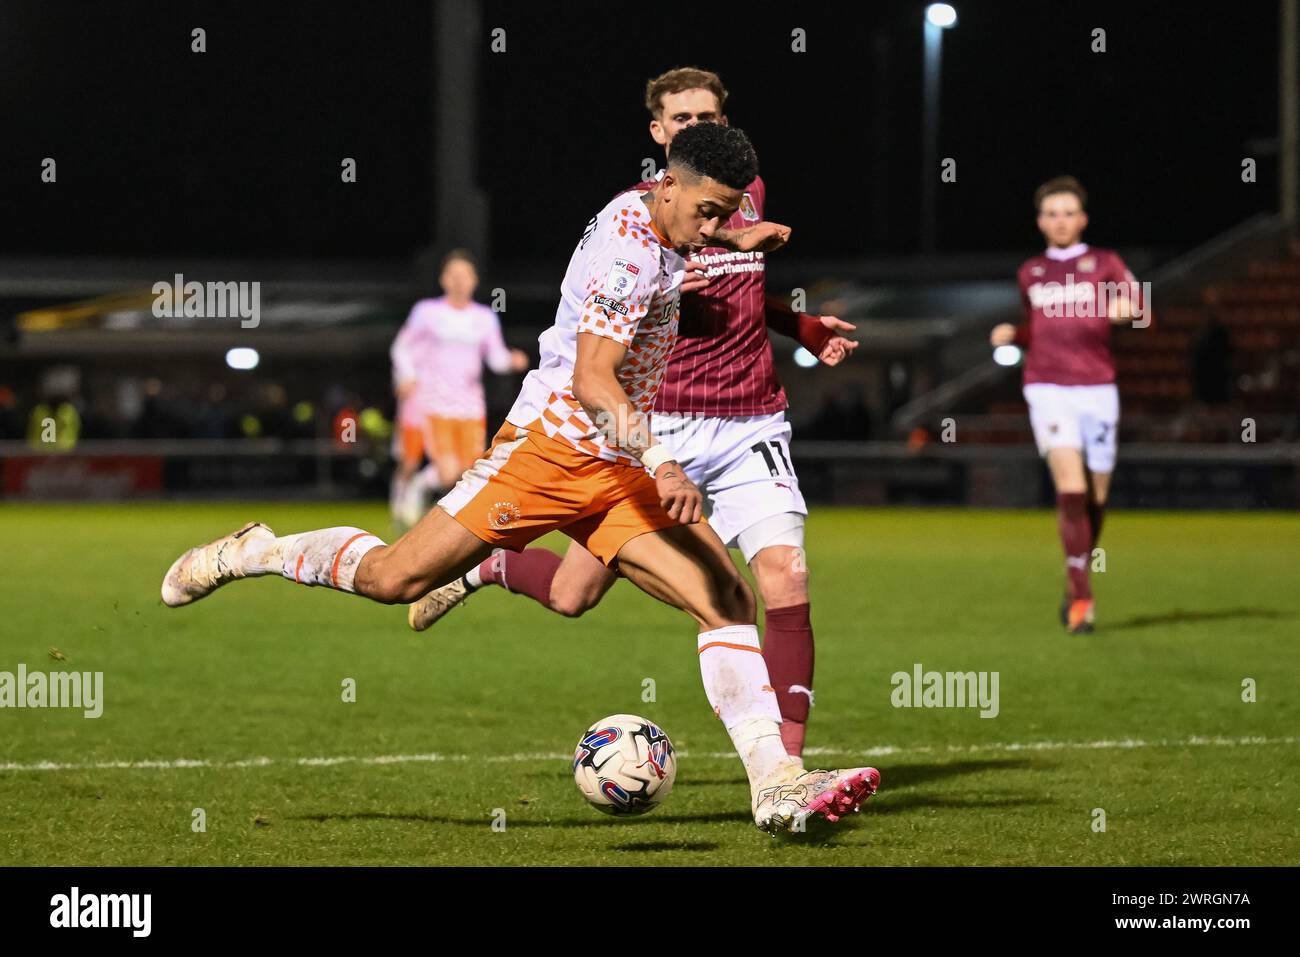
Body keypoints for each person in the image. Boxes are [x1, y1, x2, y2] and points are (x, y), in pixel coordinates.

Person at [161, 122, 879, 832]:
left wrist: (728, 236)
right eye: (709, 212)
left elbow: (677, 225)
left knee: (724, 598)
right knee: (393, 578)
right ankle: (255, 550)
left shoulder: (658, 212)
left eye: (725, 212)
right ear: (667, 187)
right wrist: (662, 460)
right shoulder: (627, 258)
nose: (714, 226)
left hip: (612, 465)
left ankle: (776, 783)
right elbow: (597, 380)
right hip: (547, 456)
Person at [408, 67, 858, 760]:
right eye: (683, 120)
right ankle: (488, 568)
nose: (698, 129)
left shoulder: (740, 193)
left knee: (783, 577)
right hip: (656, 422)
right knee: (571, 593)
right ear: (659, 135)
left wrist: (801, 327)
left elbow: (746, 296)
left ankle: (788, 767)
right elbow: (607, 354)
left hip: (748, 419)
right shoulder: (645, 225)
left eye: (709, 117)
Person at [990, 176, 1147, 634]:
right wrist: (1012, 334)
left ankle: (1072, 577)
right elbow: (1035, 330)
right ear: (1041, 221)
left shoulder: (1106, 262)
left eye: (1068, 212)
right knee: (1072, 490)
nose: (1060, 221)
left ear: (1083, 219)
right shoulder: (1031, 272)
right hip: (1047, 387)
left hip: (1098, 389)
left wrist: (1128, 309)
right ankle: (1083, 599)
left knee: (1096, 501)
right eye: (1051, 213)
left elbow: (1140, 308)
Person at [389, 250, 528, 528]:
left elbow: (495, 358)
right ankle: (413, 488)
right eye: (454, 275)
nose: (459, 281)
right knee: (446, 470)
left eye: (465, 276)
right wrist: (406, 376)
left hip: (470, 405)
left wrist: (512, 360)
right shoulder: (427, 312)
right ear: (443, 279)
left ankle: (427, 494)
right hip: (435, 401)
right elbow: (402, 347)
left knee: (468, 470)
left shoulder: (485, 317)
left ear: (474, 281)